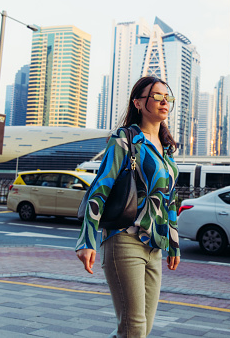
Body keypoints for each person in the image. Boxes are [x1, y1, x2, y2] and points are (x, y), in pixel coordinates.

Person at [75, 76, 180, 338]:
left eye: (167, 97)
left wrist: (173, 243)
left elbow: (170, 200)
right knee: (134, 328)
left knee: (139, 329)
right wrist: (87, 240)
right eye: (156, 96)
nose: (164, 101)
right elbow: (100, 188)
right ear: (138, 102)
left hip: (154, 247)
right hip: (124, 240)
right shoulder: (125, 139)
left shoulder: (166, 149)